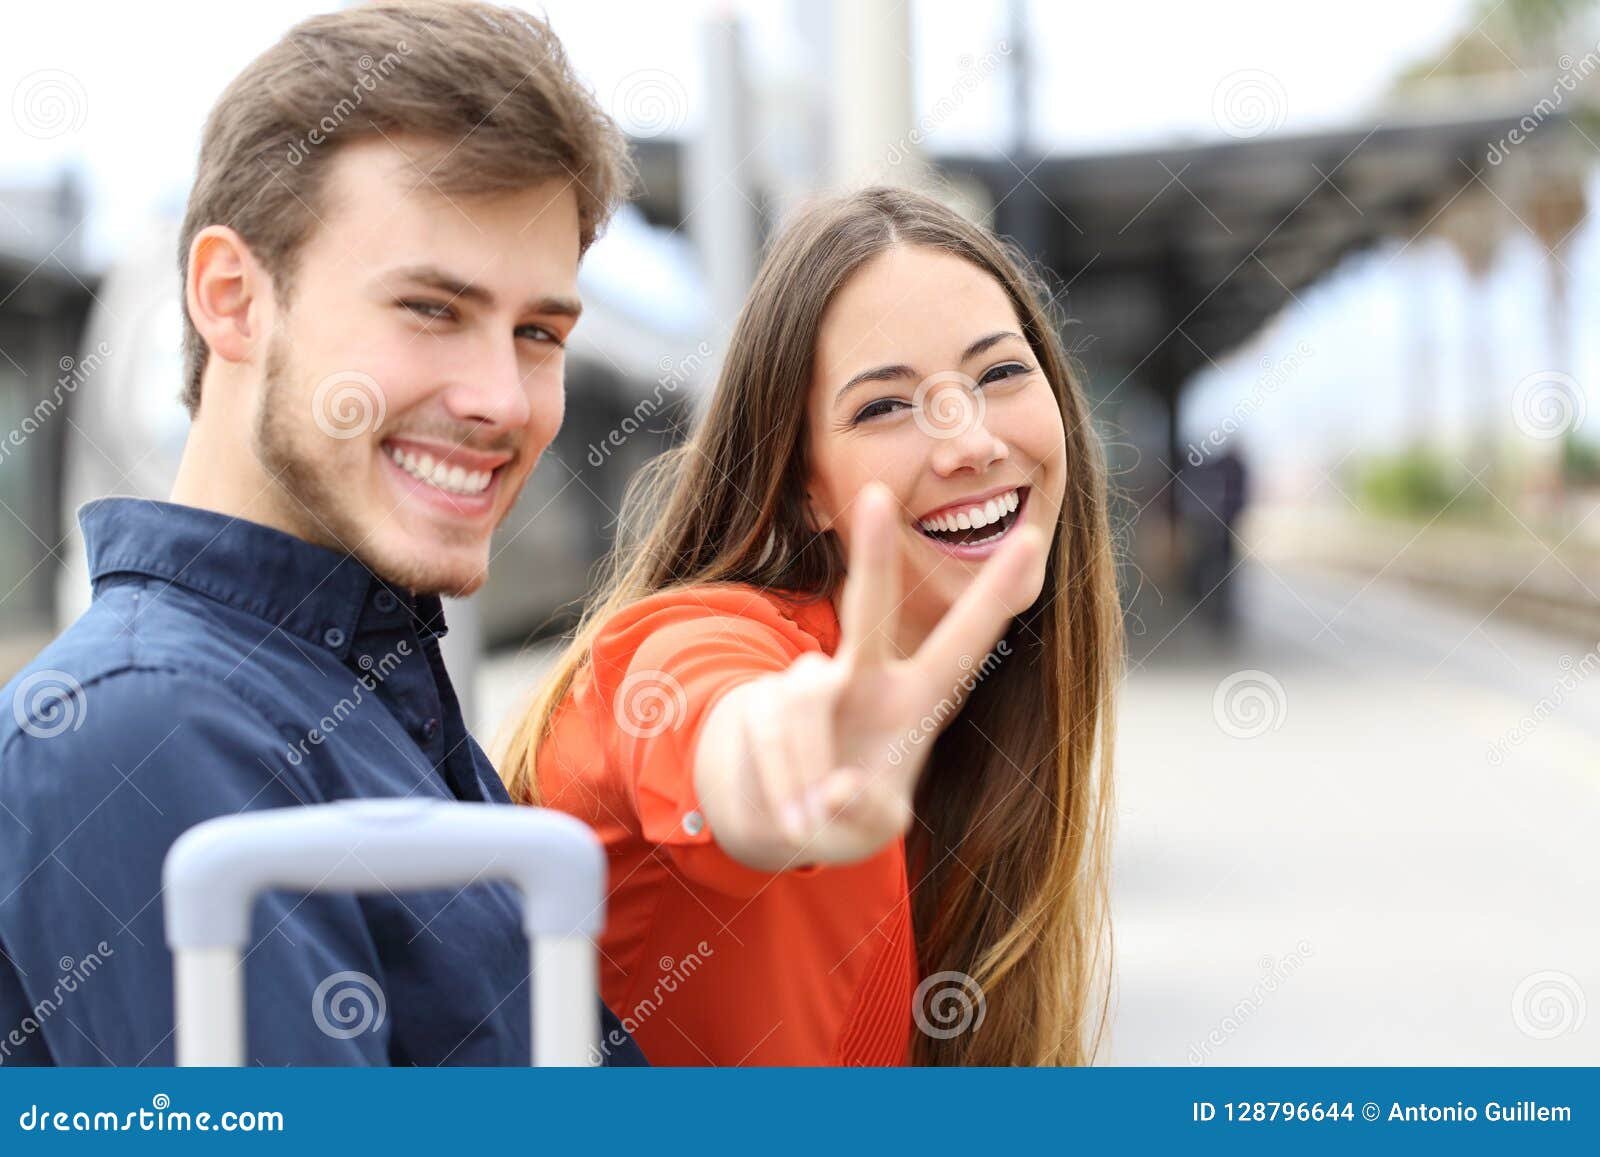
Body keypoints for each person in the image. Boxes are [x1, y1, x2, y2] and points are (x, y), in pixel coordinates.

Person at [0, 0, 646, 1066]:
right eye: (431, 309)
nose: (501, 398)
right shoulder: (147, 728)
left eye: (537, 332)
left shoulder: (347, 690)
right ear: (232, 298)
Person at [497, 187, 1124, 1066]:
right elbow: (722, 720)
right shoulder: (680, 646)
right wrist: (789, 762)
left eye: (999, 373)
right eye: (884, 406)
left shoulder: (992, 735)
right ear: (802, 485)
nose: (969, 442)